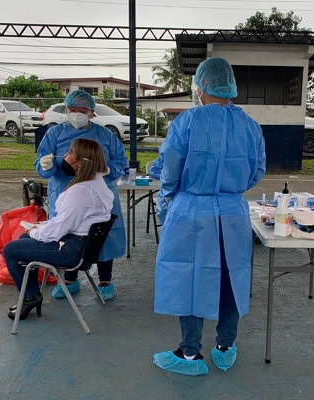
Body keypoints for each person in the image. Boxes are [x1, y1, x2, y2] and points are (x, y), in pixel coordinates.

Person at [152, 57, 266, 376]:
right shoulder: (250, 125)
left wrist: (167, 203)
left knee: (190, 279)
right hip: (232, 212)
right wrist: (231, 187)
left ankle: (190, 355)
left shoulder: (187, 122)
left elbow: (170, 172)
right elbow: (257, 171)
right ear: (229, 86)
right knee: (231, 279)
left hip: (192, 211)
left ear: (200, 86)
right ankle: (225, 346)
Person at [3, 138, 114, 320]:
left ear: (80, 162)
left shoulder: (82, 191)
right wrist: (40, 227)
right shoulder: (98, 184)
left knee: (11, 249)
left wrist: (35, 231)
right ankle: (30, 295)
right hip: (82, 246)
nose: (65, 156)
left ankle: (31, 296)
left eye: (70, 153)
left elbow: (60, 229)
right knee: (23, 239)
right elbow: (72, 221)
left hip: (71, 250)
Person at [36, 90, 128, 301]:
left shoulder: (105, 135)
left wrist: (107, 170)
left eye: (83, 110)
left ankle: (105, 280)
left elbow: (121, 161)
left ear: (92, 112)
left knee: (101, 235)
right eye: (73, 110)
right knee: (69, 234)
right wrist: (47, 166)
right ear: (66, 110)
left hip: (99, 193)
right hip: (66, 192)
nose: (77, 113)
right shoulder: (54, 134)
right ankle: (70, 279)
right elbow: (42, 162)